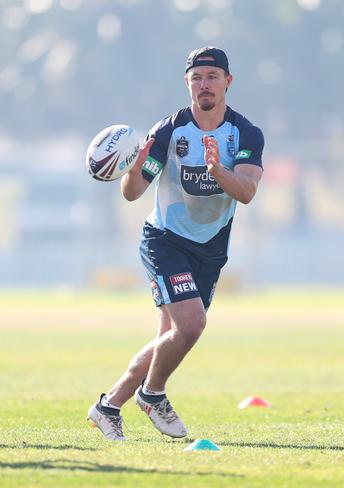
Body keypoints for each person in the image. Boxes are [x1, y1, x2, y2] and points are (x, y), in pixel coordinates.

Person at [87, 46, 264, 441]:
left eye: (212, 77)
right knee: (192, 325)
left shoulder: (245, 134)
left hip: (211, 249)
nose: (205, 85)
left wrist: (219, 171)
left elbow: (247, 191)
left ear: (227, 82)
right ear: (187, 83)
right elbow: (133, 193)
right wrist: (133, 168)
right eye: (197, 78)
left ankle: (108, 406)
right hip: (165, 241)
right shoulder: (167, 133)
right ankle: (152, 395)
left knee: (169, 338)